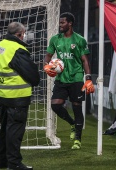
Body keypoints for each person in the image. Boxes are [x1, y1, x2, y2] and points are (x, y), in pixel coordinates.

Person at [0, 22, 40, 170]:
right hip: (16, 96)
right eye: (23, 34)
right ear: (20, 34)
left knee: (5, 129)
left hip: (2, 94)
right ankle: (14, 163)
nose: (24, 36)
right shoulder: (17, 50)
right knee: (15, 131)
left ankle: (0, 161)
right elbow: (33, 76)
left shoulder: (0, 46)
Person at [43, 12, 95, 149]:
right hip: (61, 78)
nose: (60, 25)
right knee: (55, 105)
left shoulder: (79, 40)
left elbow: (85, 60)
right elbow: (48, 56)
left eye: (62, 23)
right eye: (60, 23)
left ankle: (77, 139)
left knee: (77, 107)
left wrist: (88, 78)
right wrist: (46, 66)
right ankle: (72, 123)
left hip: (76, 78)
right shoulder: (55, 39)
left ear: (70, 23)